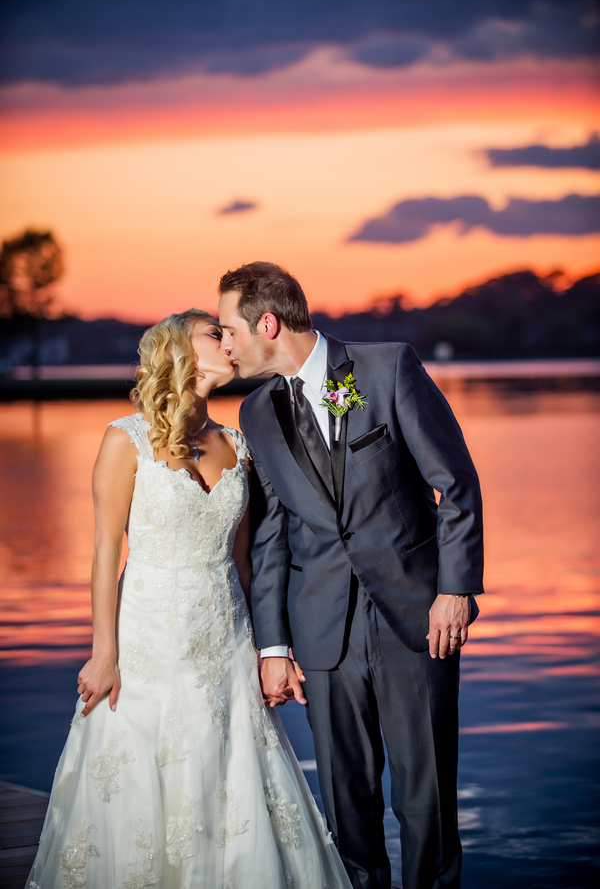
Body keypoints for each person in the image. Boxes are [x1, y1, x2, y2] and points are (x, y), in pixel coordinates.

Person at [27, 309, 352, 889]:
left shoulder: (239, 444)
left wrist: (270, 648)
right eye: (215, 333)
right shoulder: (123, 439)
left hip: (226, 641)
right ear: (179, 348)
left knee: (232, 776)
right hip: (148, 642)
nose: (229, 342)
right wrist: (104, 653)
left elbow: (248, 562)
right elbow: (105, 554)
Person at [218, 264, 484, 889]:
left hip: (415, 617)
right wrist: (274, 646)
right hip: (321, 631)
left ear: (267, 322)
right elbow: (271, 533)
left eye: (229, 330)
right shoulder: (256, 413)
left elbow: (457, 484)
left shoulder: (387, 368)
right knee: (346, 807)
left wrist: (455, 589)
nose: (225, 346)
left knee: (428, 801)